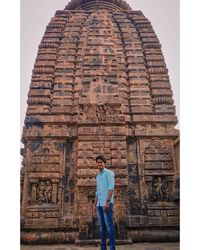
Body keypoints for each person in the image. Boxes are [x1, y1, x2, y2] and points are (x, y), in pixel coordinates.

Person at [94, 155, 116, 250]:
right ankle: (103, 247)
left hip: (107, 203)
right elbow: (98, 190)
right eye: (98, 162)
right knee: (102, 227)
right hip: (99, 204)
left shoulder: (109, 173)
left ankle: (112, 248)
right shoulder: (98, 175)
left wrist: (107, 201)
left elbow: (111, 188)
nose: (99, 164)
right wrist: (95, 203)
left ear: (104, 163)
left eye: (101, 162)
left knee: (109, 225)